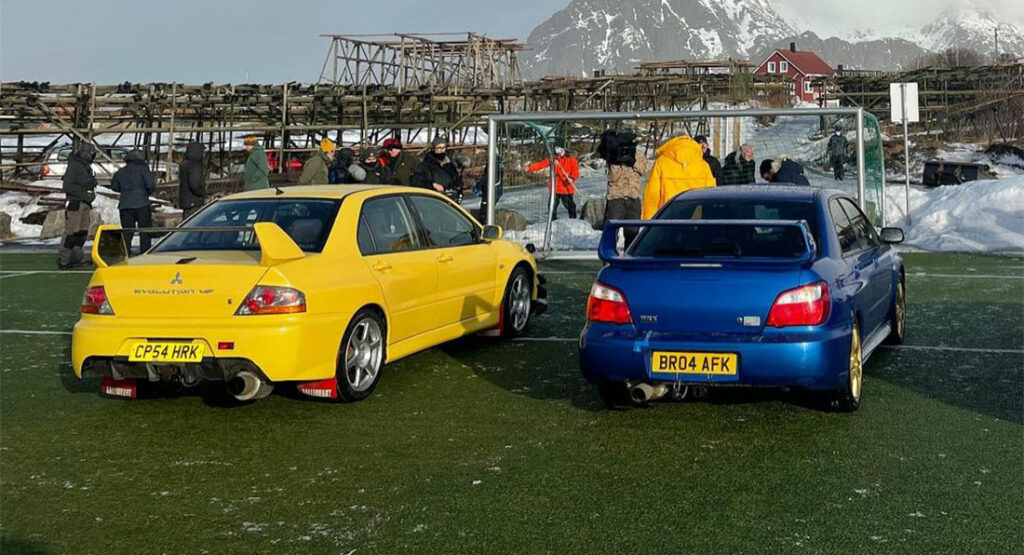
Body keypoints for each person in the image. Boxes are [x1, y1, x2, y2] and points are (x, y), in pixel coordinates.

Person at [641, 135, 716, 219]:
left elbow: (653, 195)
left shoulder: (661, 163)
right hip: (695, 217)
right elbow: (711, 194)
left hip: (667, 215)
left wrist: (649, 220)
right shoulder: (703, 165)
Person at [58, 143, 98, 269]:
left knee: (81, 232)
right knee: (71, 232)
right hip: (76, 202)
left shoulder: (85, 166)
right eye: (92, 154)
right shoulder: (75, 166)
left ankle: (76, 257)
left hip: (85, 202)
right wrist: (85, 190)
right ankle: (64, 259)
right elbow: (68, 187)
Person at [110, 150, 157, 254]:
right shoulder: (144, 170)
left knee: (127, 231)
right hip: (142, 203)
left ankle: (125, 252)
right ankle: (145, 252)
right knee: (144, 231)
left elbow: (114, 186)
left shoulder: (121, 171)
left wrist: (126, 192)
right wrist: (145, 193)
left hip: (125, 204)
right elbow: (151, 185)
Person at [604, 145, 652, 246]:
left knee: (633, 232)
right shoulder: (613, 153)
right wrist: (617, 162)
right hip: (616, 198)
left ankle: (629, 257)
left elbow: (645, 169)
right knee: (611, 231)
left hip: (633, 197)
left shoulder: (638, 154)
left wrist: (633, 161)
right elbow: (613, 178)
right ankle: (608, 257)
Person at [526, 146, 579, 219]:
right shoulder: (553, 159)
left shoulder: (571, 160)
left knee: (570, 205)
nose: (557, 151)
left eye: (559, 149)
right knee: (552, 206)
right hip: (555, 187)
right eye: (556, 149)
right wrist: (530, 168)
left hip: (566, 188)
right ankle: (552, 221)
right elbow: (541, 164)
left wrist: (572, 178)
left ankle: (573, 220)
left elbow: (575, 172)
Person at [410, 136, 463, 201]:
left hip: (449, 200)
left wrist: (456, 190)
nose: (442, 150)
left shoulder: (449, 165)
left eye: (444, 148)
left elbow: (457, 181)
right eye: (439, 148)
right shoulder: (425, 166)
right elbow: (415, 181)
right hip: (432, 200)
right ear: (433, 149)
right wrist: (432, 185)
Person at [179, 142, 207, 219]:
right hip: (194, 203)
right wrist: (204, 194)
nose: (203, 154)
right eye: (202, 152)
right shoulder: (195, 166)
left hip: (187, 203)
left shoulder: (185, 164)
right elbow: (194, 184)